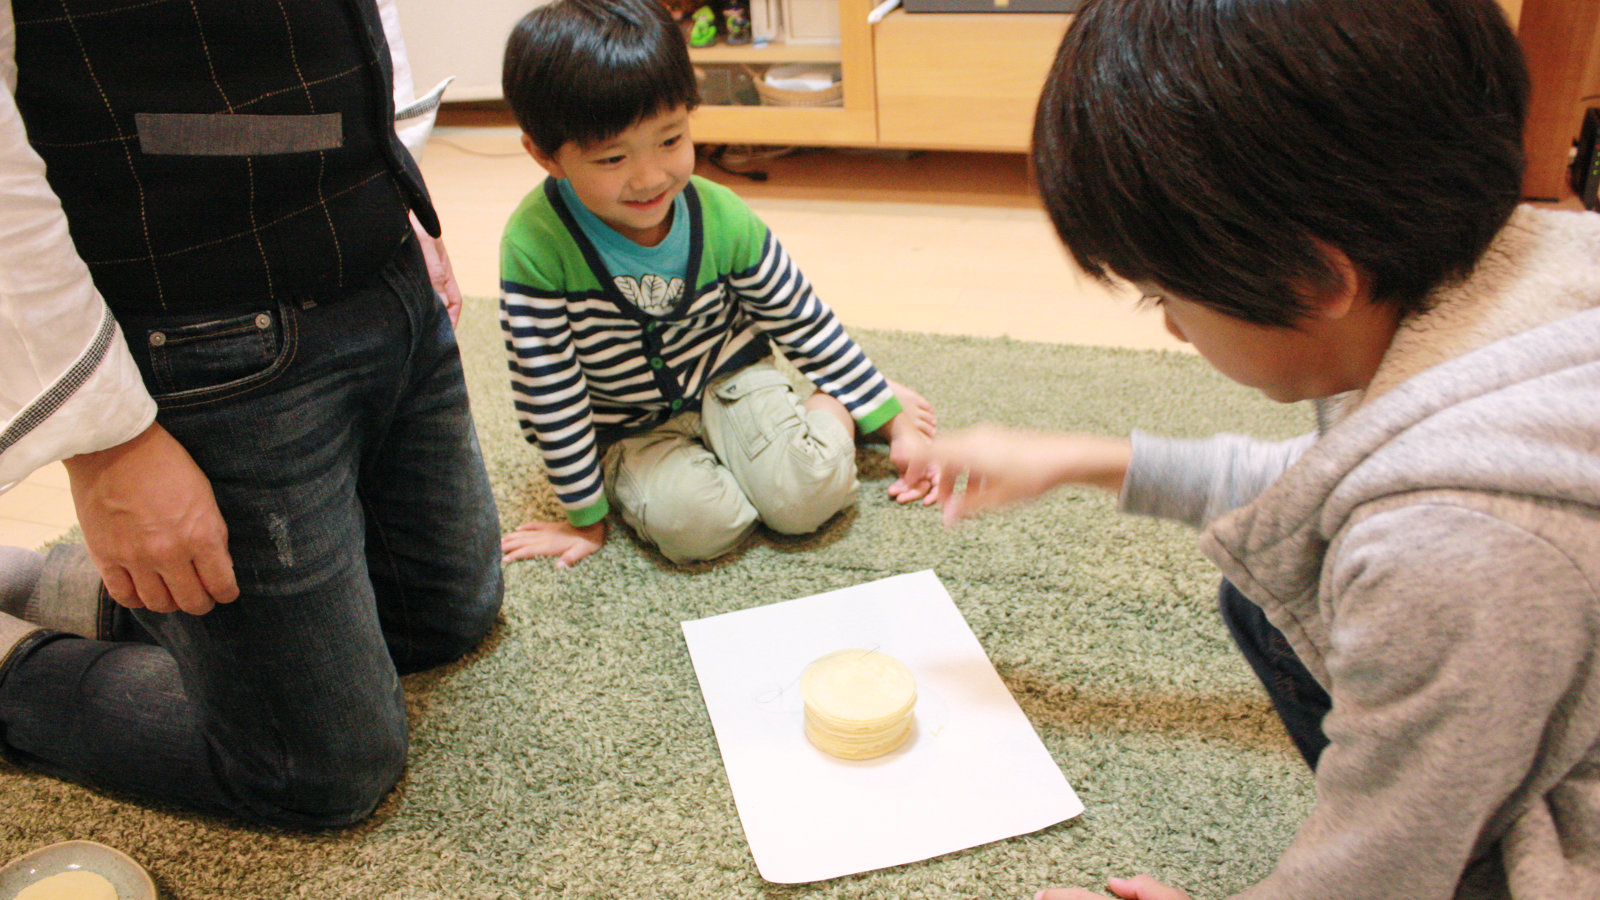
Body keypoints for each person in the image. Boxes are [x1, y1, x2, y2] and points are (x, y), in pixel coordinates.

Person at [904, 0, 1600, 897]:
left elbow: (1382, 862)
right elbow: (1320, 498)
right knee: (1268, 567)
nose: (1173, 334)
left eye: (1167, 298)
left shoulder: (1453, 550)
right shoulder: (1521, 263)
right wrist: (1081, 457)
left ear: (1315, 279)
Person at [0, 0, 502, 827]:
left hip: (379, 261)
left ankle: (101, 599)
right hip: (202, 325)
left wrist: (400, 180)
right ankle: (14, 668)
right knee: (321, 765)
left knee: (444, 614)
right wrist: (108, 441)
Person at [497, 0, 937, 568]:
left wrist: (890, 419)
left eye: (671, 139)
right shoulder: (534, 246)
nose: (651, 176)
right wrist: (584, 518)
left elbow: (802, 319)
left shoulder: (722, 216)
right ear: (544, 155)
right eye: (611, 158)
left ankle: (841, 404)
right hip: (628, 427)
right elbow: (549, 390)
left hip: (733, 382)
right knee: (697, 529)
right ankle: (781, 440)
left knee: (808, 499)